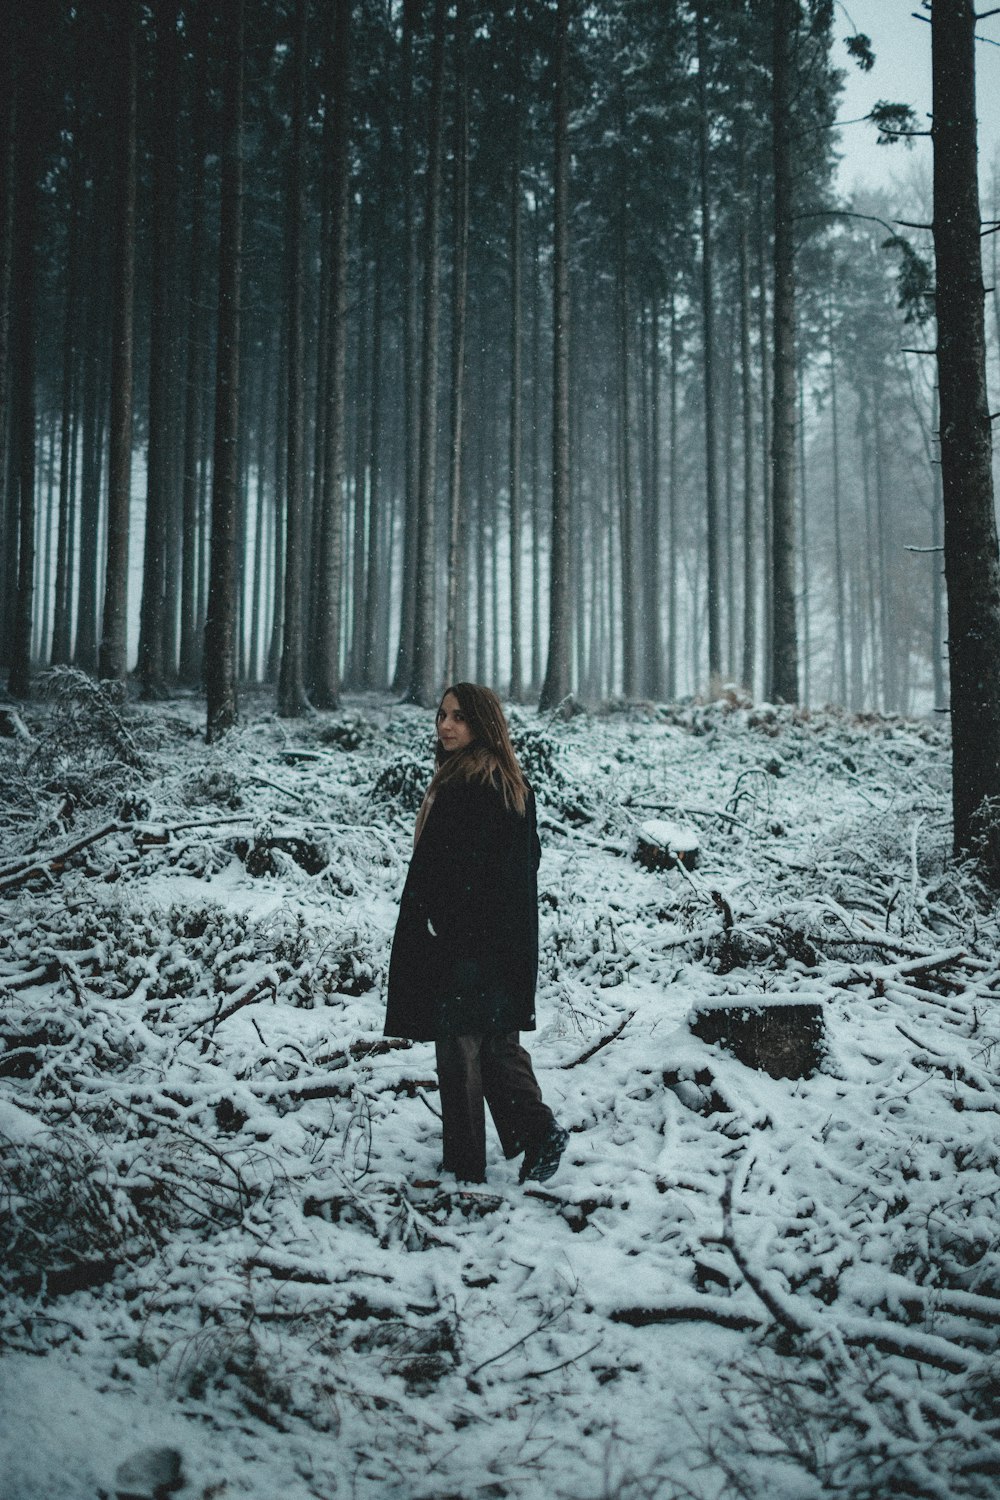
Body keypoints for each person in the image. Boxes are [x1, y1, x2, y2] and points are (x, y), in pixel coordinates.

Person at [384, 683, 569, 1186]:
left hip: (467, 944)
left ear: (481, 724)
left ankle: (465, 1169)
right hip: (498, 941)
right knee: (494, 1045)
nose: (445, 725)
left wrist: (444, 922)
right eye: (442, 714)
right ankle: (538, 1132)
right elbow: (519, 864)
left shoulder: (471, 786)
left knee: (460, 1050)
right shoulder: (505, 782)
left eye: (459, 717)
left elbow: (464, 870)